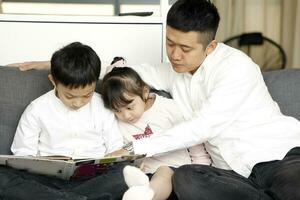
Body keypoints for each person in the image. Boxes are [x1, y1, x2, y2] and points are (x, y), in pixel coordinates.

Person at [8, 0, 300, 199]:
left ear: (210, 46)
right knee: (186, 178)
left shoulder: (236, 67)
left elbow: (202, 127)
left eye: (185, 48)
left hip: (278, 157)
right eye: (170, 43)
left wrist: (136, 147)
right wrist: (59, 65)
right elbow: (122, 71)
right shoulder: (174, 71)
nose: (174, 54)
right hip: (234, 175)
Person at [2, 42, 127, 200]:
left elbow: (115, 148)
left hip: (93, 179)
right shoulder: (36, 109)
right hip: (47, 181)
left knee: (124, 174)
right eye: (69, 96)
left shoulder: (103, 106)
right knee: (4, 177)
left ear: (96, 83)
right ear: (53, 81)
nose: (78, 102)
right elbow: (22, 154)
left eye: (86, 95)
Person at [101, 66, 211, 200]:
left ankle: (146, 195)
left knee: (163, 172)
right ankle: (139, 189)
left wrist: (200, 170)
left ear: (145, 92)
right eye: (117, 110)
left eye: (130, 107)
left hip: (174, 168)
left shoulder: (168, 108)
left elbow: (193, 139)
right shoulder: (116, 122)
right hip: (142, 172)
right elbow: (122, 151)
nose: (126, 115)